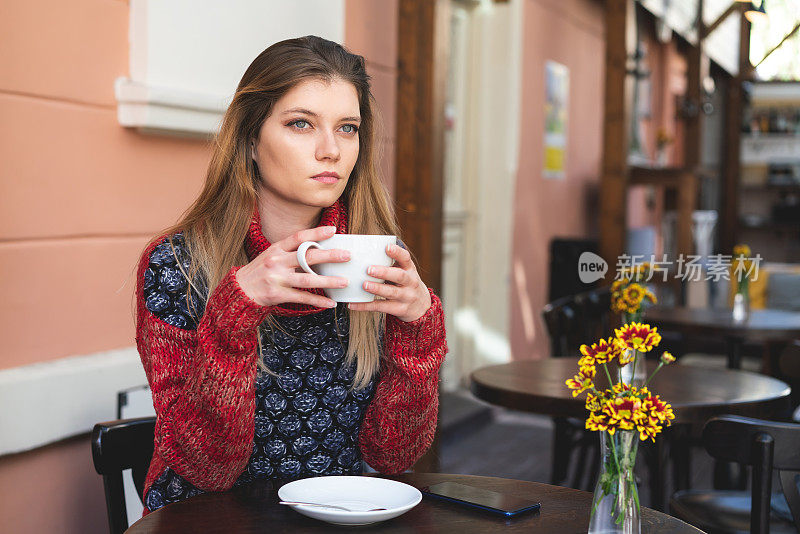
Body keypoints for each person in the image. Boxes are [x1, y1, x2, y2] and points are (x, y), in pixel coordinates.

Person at [135, 35, 447, 514]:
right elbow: (206, 468)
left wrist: (418, 331)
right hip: (206, 521)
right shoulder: (177, 265)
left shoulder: (374, 257)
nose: (331, 151)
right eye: (301, 124)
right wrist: (236, 310)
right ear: (251, 140)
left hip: (340, 519)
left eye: (347, 128)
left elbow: (394, 457)